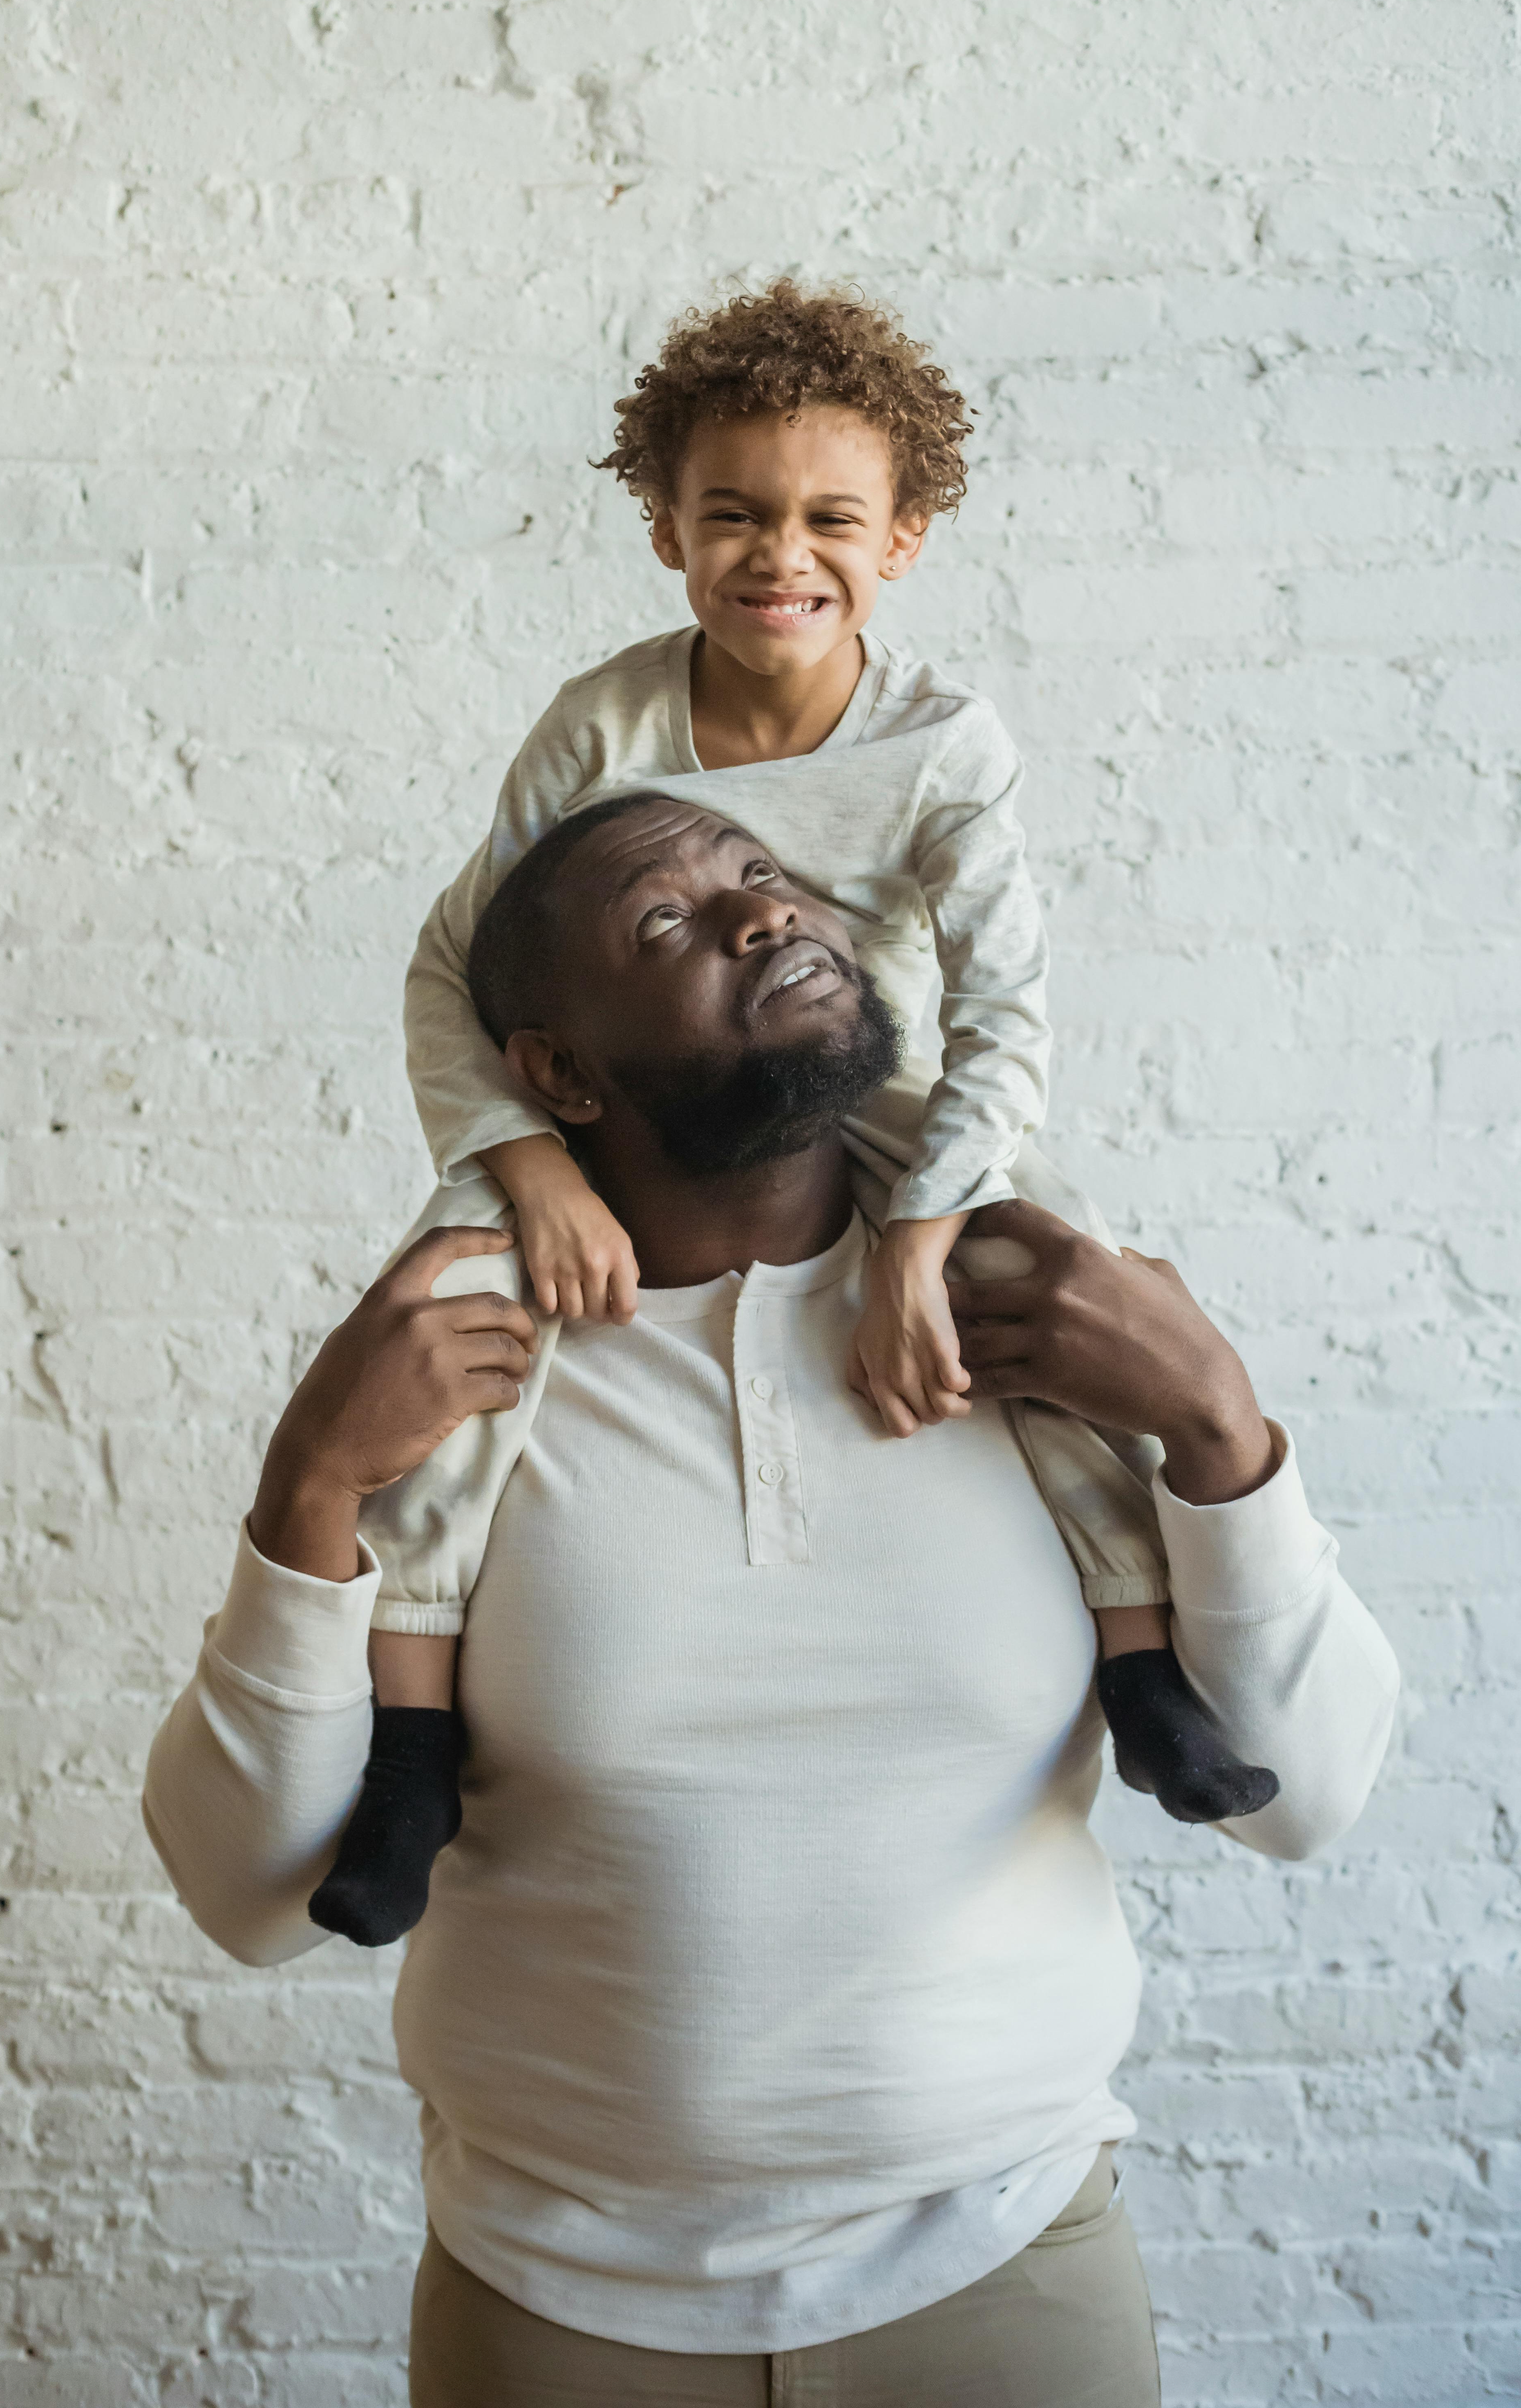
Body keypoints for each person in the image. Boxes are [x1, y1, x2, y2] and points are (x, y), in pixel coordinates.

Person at [144, 792, 1399, 2408]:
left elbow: (1308, 1806)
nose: (754, 914)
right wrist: (306, 1491)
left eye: (756, 875)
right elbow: (248, 1898)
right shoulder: (458, 1377)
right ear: (561, 1073)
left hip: (1004, 2267)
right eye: (660, 923)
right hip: (556, 2303)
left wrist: (1224, 1431)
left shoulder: (1038, 1323)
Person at [329, 282, 1279, 1928]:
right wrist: (523, 1165)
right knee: (451, 1314)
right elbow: (454, 971)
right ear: (665, 529)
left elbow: (1001, 1015)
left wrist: (921, 1236)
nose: (784, 556)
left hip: (885, 1092)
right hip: (634, 1097)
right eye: (736, 517)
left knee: (1052, 1306)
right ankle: (411, 1735)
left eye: (832, 518)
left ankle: (1140, 1669)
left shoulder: (940, 746)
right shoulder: (604, 727)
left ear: (903, 537)